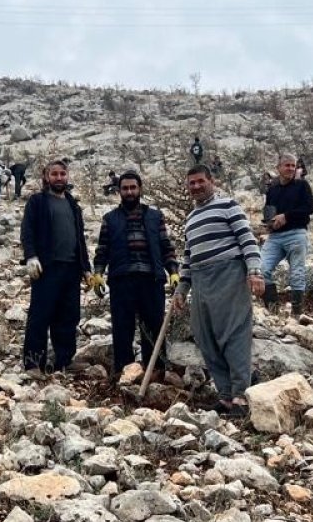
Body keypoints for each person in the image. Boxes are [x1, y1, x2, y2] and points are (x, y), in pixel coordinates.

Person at [172, 165, 264, 416]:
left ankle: (241, 397)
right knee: (205, 337)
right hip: (201, 280)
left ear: (212, 181)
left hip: (229, 274)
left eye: (201, 181)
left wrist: (254, 271)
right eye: (192, 183)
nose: (197, 186)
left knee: (233, 334)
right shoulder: (190, 219)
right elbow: (188, 257)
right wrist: (181, 288)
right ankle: (225, 397)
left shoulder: (228, 206)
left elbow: (247, 239)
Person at [90, 171, 179, 378]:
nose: (129, 192)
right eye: (125, 188)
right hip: (122, 280)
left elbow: (166, 246)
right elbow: (102, 250)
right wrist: (98, 273)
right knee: (122, 329)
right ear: (119, 191)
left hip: (152, 279)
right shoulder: (109, 219)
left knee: (154, 328)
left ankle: (155, 372)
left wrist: (173, 272)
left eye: (133, 188)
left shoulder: (155, 216)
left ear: (140, 189)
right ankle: (123, 373)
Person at [20, 160, 91, 374]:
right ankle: (34, 363)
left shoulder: (73, 204)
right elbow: (27, 231)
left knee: (68, 316)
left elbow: (80, 239)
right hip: (46, 268)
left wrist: (86, 268)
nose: (59, 178)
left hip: (71, 269)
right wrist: (31, 256)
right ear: (46, 176)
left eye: (62, 174)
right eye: (54, 174)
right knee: (40, 315)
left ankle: (64, 360)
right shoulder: (37, 202)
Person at [260, 154, 313, 316]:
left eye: (293, 165)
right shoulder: (272, 189)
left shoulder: (302, 185)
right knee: (261, 269)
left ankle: (297, 314)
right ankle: (273, 311)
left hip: (296, 233)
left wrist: (286, 216)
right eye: (287, 165)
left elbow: (310, 208)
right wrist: (270, 222)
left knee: (297, 273)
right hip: (276, 236)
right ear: (278, 168)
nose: (291, 168)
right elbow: (269, 210)